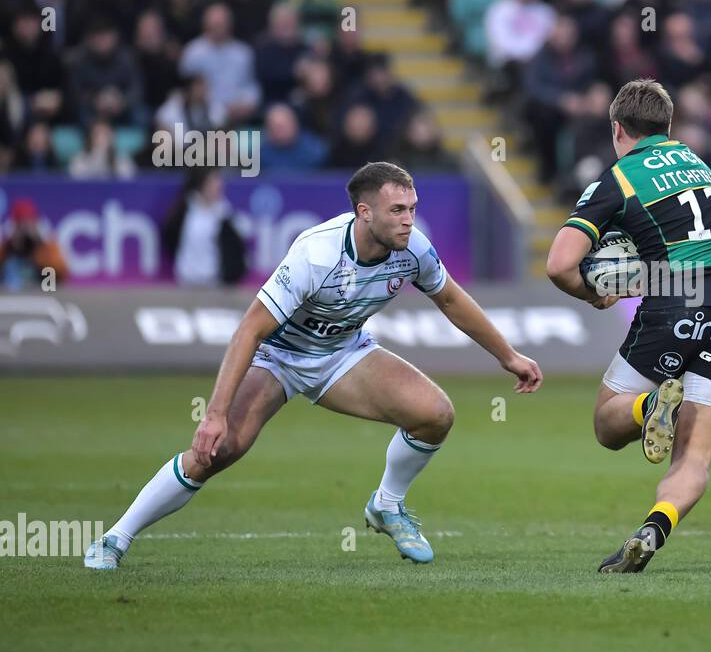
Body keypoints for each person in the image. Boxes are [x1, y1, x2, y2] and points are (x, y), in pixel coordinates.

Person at [86, 162, 542, 570]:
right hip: (279, 358)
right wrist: (214, 415)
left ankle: (387, 505)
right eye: (398, 210)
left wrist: (509, 356)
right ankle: (114, 538)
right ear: (365, 213)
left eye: (412, 208)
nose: (409, 220)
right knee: (216, 453)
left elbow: (450, 298)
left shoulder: (414, 248)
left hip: (343, 354)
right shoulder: (317, 254)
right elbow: (250, 330)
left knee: (435, 415)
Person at [546, 79, 711, 573]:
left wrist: (594, 292)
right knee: (694, 458)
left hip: (677, 303)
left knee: (607, 425)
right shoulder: (699, 164)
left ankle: (649, 405)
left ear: (618, 129)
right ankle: (654, 528)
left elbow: (560, 264)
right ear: (668, 127)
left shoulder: (619, 178)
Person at [0, 198, 68, 290]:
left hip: (38, 276)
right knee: (11, 265)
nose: (26, 224)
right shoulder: (10, 232)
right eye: (22, 220)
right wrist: (15, 243)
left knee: (49, 269)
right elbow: (4, 259)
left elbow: (59, 268)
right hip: (15, 277)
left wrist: (37, 241)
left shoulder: (43, 232)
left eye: (28, 219)